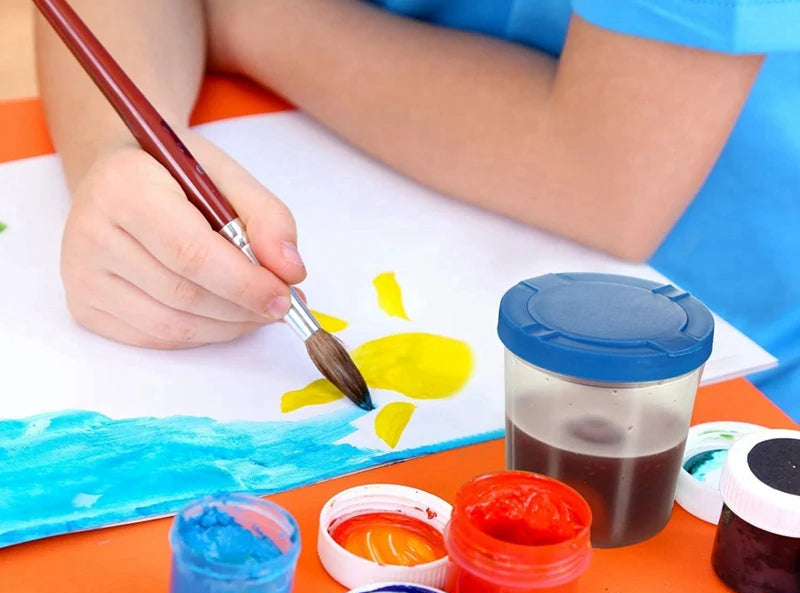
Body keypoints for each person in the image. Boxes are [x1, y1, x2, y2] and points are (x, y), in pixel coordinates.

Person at [35, 1, 800, 420]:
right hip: (331, 139)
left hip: (698, 366)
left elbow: (608, 176)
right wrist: (118, 155)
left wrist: (241, 16)